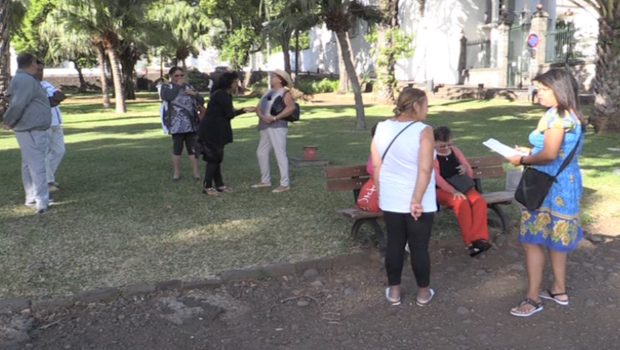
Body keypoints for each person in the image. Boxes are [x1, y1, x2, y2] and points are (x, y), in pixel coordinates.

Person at [505, 68, 585, 317]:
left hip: (549, 186)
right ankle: (558, 290)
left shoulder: (557, 117)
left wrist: (523, 158)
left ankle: (532, 298)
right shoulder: (570, 114)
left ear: (558, 89)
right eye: (537, 88)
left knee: (533, 241)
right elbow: (556, 150)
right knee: (556, 240)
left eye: (543, 89)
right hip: (566, 184)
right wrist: (531, 150)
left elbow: (549, 154)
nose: (537, 93)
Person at [370, 87, 437, 306]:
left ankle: (395, 292)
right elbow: (425, 169)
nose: (427, 110)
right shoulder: (424, 130)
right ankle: (423, 294)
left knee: (394, 245)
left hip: (391, 198)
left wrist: (381, 193)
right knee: (419, 246)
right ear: (416, 105)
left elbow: (377, 165)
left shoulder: (381, 128)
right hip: (419, 200)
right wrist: (416, 200)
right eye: (426, 105)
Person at [2, 53, 52, 213]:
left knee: (28, 162)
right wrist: (8, 120)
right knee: (37, 163)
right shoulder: (25, 80)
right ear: (31, 63)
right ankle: (41, 200)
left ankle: (31, 196)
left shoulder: (23, 79)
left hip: (29, 127)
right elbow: (17, 104)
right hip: (32, 128)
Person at [433, 126, 492, 257]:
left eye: (449, 144)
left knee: (479, 201)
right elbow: (436, 178)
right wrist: (452, 191)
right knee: (461, 203)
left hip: (462, 186)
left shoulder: (455, 151)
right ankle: (470, 242)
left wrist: (464, 168)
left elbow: (469, 172)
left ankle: (480, 238)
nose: (447, 148)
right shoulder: (432, 156)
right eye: (443, 146)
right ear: (434, 143)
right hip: (442, 189)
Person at [197, 72, 255, 196]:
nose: (236, 84)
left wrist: (243, 110)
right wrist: (244, 110)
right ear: (229, 83)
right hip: (211, 131)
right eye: (235, 82)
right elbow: (230, 114)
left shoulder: (226, 95)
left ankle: (220, 185)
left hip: (218, 130)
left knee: (217, 158)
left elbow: (228, 113)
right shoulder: (221, 95)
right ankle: (207, 187)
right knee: (213, 158)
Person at [251, 69, 296, 193]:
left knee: (279, 152)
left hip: (277, 126)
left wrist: (275, 117)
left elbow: (291, 108)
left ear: (280, 79)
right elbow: (259, 107)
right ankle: (265, 180)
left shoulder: (284, 93)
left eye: (274, 76)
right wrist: (262, 116)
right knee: (261, 152)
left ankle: (284, 183)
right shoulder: (268, 92)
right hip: (265, 125)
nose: (271, 78)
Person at [159, 66, 204, 182]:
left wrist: (194, 94)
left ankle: (196, 173)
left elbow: (201, 100)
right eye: (176, 76)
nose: (179, 78)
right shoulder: (166, 87)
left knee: (192, 149)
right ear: (171, 77)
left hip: (191, 122)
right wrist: (178, 85)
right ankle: (176, 173)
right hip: (176, 124)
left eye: (181, 75)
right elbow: (167, 97)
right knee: (177, 148)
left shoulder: (189, 86)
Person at [36, 60, 66, 192]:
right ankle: (47, 182)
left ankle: (49, 177)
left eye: (42, 70)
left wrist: (53, 100)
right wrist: (52, 100)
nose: (40, 73)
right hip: (44, 123)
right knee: (44, 153)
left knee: (59, 151)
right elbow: (46, 102)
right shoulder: (31, 86)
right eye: (37, 70)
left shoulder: (45, 83)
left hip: (56, 122)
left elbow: (60, 96)